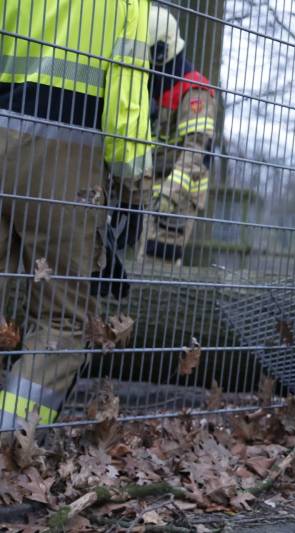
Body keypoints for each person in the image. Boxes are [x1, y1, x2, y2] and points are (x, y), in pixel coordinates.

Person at [0, 0, 152, 430]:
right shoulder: (127, 6)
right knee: (62, 319)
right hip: (67, 159)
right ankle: (11, 442)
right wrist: (133, 184)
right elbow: (126, 108)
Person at [138, 5, 217, 264]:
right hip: (148, 189)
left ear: (160, 50)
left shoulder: (195, 91)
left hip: (176, 199)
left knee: (156, 267)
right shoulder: (154, 85)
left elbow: (197, 150)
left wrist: (170, 194)